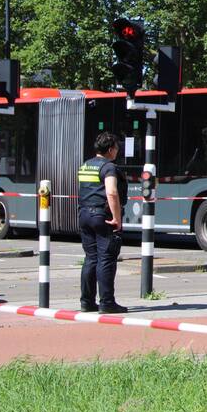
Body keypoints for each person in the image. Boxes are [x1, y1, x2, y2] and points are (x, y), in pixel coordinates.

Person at [77, 132, 128, 314]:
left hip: (84, 214)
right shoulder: (109, 168)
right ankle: (107, 302)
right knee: (106, 259)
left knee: (90, 258)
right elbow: (112, 192)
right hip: (102, 216)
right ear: (110, 149)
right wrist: (117, 218)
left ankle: (87, 301)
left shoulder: (85, 166)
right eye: (116, 148)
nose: (117, 151)